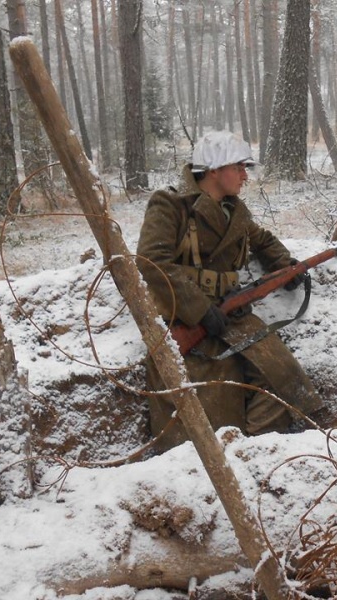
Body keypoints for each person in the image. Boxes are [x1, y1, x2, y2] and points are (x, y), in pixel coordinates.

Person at [137, 131, 322, 451]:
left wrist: (286, 267)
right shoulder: (170, 205)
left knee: (282, 375)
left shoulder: (232, 211)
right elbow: (151, 260)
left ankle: (255, 450)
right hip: (185, 318)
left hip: (230, 313)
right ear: (213, 170)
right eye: (238, 167)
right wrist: (197, 309)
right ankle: (221, 460)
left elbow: (260, 239)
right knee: (211, 396)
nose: (244, 176)